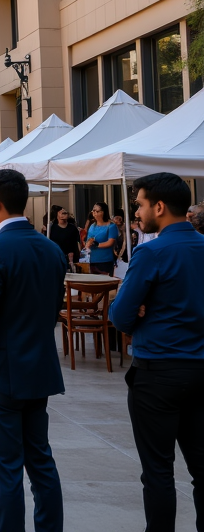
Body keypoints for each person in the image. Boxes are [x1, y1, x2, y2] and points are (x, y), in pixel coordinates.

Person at [0, 169, 67, 532]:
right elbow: (54, 307)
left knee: (6, 472)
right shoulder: (52, 249)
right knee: (41, 462)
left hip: (0, 374)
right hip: (39, 369)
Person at [111, 173, 204, 532]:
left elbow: (120, 316)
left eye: (140, 203)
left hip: (159, 373)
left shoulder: (151, 251)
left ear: (159, 207)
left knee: (158, 471)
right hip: (200, 369)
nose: (138, 210)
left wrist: (132, 308)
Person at [86, 201, 119, 276]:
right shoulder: (92, 226)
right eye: (93, 211)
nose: (94, 213)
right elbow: (88, 240)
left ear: (103, 212)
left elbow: (111, 242)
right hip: (92, 260)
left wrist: (97, 244)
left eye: (97, 211)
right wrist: (88, 244)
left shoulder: (111, 226)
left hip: (105, 260)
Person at [47, 205, 81, 269]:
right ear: (57, 215)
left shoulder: (72, 228)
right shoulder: (52, 228)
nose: (65, 214)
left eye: (65, 213)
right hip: (58, 257)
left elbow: (77, 242)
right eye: (62, 213)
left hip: (72, 258)